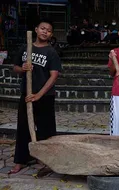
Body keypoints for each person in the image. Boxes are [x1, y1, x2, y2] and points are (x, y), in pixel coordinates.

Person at [10, 19, 62, 174]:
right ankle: (20, 160)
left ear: (51, 34)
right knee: (23, 127)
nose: (45, 32)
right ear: (36, 29)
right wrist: (23, 68)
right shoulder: (26, 47)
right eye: (42, 28)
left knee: (47, 129)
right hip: (26, 94)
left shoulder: (51, 52)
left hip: (44, 96)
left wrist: (39, 95)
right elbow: (15, 67)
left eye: (48, 30)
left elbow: (54, 76)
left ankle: (47, 160)